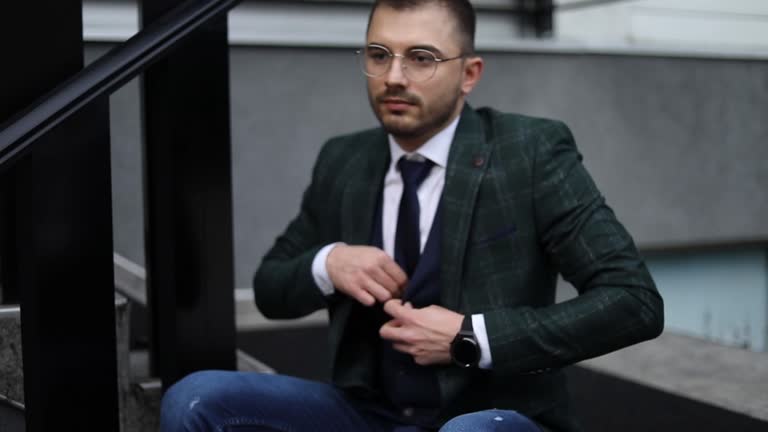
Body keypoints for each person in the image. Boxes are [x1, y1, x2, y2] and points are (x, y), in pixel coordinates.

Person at [160, 0, 664, 431]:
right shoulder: (344, 160)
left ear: (469, 74)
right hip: (369, 412)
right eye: (379, 55)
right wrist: (328, 263)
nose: (394, 77)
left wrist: (471, 338)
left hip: (489, 416)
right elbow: (270, 289)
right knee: (195, 398)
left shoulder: (529, 152)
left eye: (421, 58)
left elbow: (634, 301)